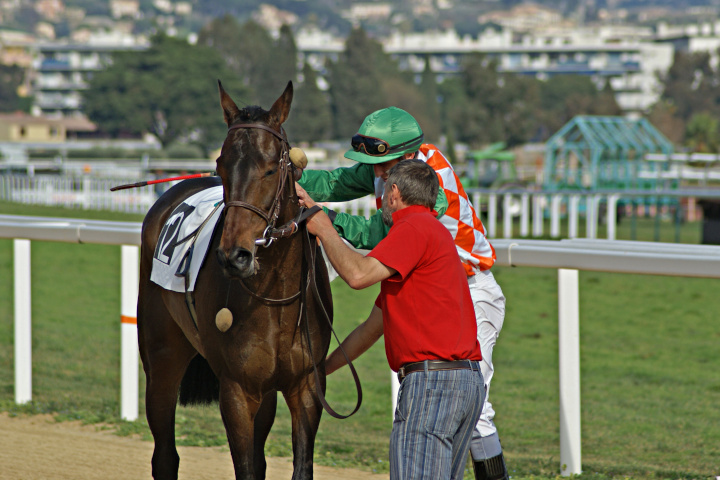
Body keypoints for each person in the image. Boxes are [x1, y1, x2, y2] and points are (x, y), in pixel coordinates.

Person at [297, 106, 509, 480]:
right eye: (373, 166)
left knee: (479, 416)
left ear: (408, 156)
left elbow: (375, 239)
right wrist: (278, 177)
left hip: (471, 292)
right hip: (424, 285)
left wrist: (324, 221)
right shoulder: (392, 167)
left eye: (383, 168)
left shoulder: (427, 189)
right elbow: (335, 184)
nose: (377, 175)